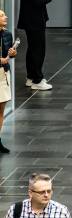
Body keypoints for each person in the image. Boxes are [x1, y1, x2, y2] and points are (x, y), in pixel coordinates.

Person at [17, 0, 55, 91]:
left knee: (33, 49)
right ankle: (37, 80)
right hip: (34, 22)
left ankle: (31, 77)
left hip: (33, 21)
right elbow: (38, 2)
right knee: (38, 50)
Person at [5, 173, 71, 218]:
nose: (46, 195)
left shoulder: (61, 211)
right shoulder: (15, 210)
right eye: (41, 192)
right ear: (30, 193)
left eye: (49, 191)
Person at [0, 12, 15, 153]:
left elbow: (10, 54)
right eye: (2, 15)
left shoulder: (7, 34)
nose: (6, 17)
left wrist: (13, 53)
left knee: (1, 109)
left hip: (3, 74)